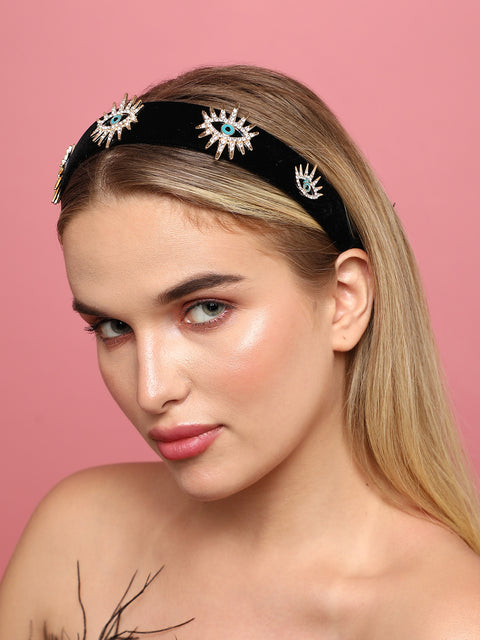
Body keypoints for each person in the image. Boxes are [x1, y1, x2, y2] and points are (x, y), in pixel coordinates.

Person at [1, 65, 479, 639]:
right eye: (112, 327)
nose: (152, 390)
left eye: (206, 309)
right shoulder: (76, 537)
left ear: (343, 301)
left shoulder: (445, 619)